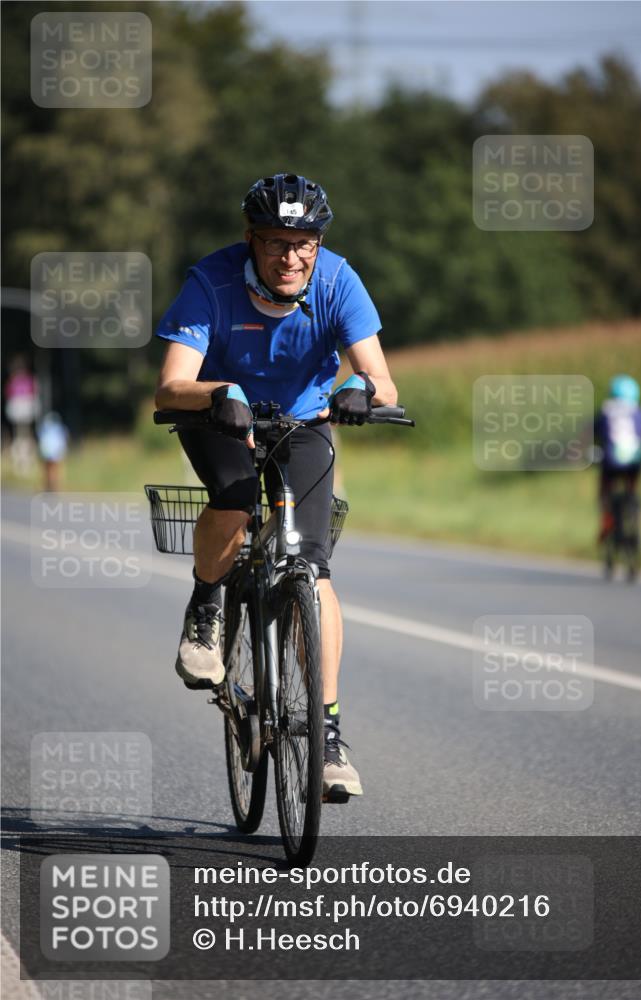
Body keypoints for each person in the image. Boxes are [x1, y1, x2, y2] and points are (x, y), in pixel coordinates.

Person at [154, 172, 398, 799]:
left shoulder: (339, 281)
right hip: (221, 419)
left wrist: (359, 391)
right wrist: (218, 393)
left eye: (304, 244)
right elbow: (170, 384)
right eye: (276, 243)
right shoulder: (211, 281)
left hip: (301, 424)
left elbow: (382, 380)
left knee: (312, 569)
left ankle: (328, 735)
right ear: (251, 240)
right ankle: (207, 605)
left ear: (317, 244)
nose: (291, 258)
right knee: (234, 500)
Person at [593, 374, 641, 542]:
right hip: (634, 462)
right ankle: (637, 519)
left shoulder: (606, 411)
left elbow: (589, 436)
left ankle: (606, 521)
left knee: (605, 488)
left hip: (610, 461)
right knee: (633, 488)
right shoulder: (640, 412)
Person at [37, 411, 69, 491]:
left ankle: (49, 485)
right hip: (56, 452)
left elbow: (41, 439)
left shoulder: (44, 428)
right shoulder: (60, 428)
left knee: (47, 470)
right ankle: (55, 486)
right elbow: (64, 439)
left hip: (47, 452)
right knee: (56, 470)